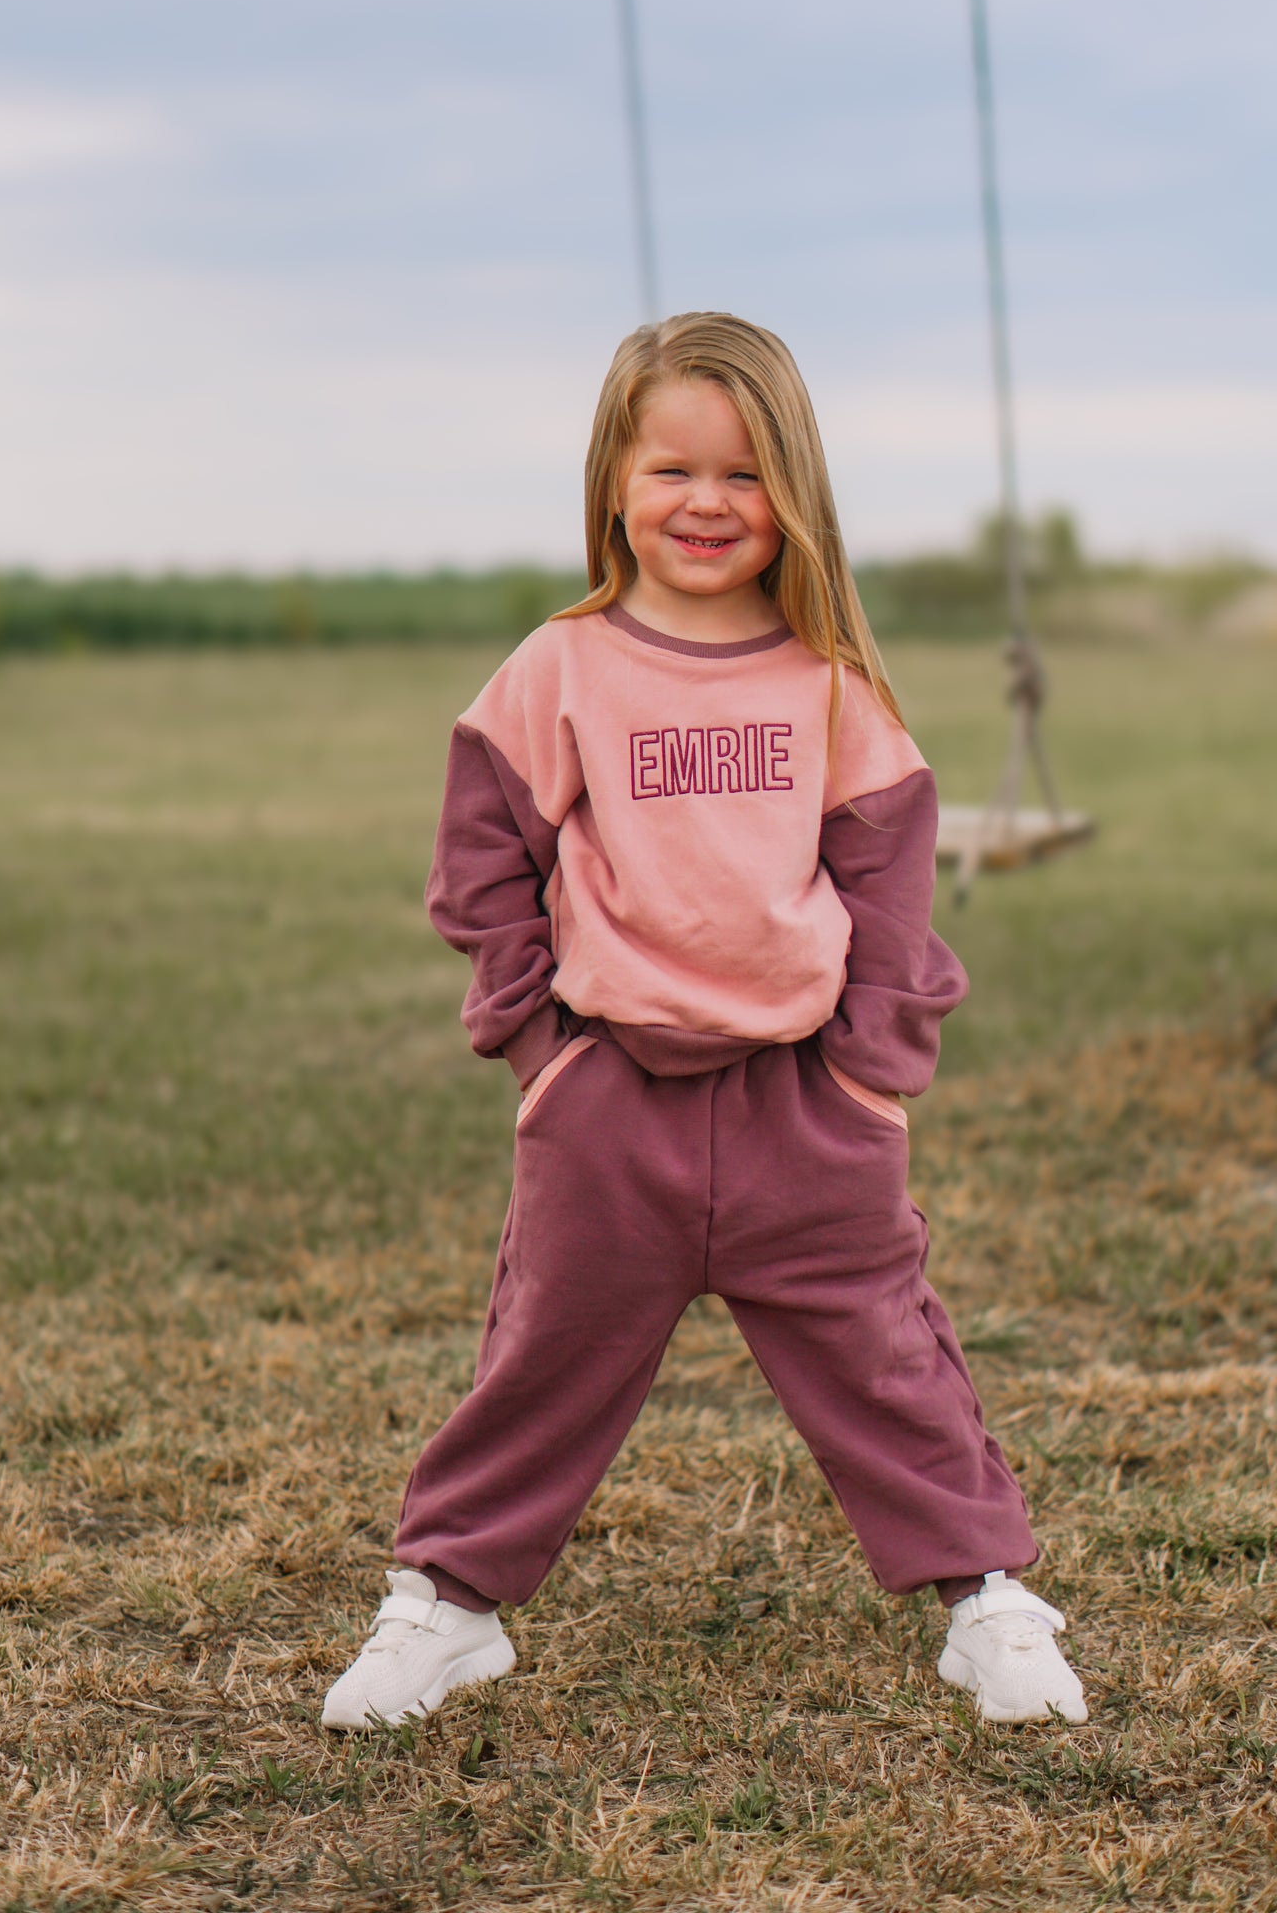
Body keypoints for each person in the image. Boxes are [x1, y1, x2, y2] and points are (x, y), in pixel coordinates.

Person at [322, 312, 1085, 1732]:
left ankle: (985, 1599)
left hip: (808, 1103)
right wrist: (538, 1049)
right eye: (672, 469)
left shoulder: (827, 680)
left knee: (886, 1359)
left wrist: (871, 1073)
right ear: (615, 475)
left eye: (742, 475)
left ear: (789, 490)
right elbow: (479, 861)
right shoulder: (557, 669)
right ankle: (446, 1608)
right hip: (610, 1103)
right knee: (540, 1358)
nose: (706, 503)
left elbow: (891, 890)